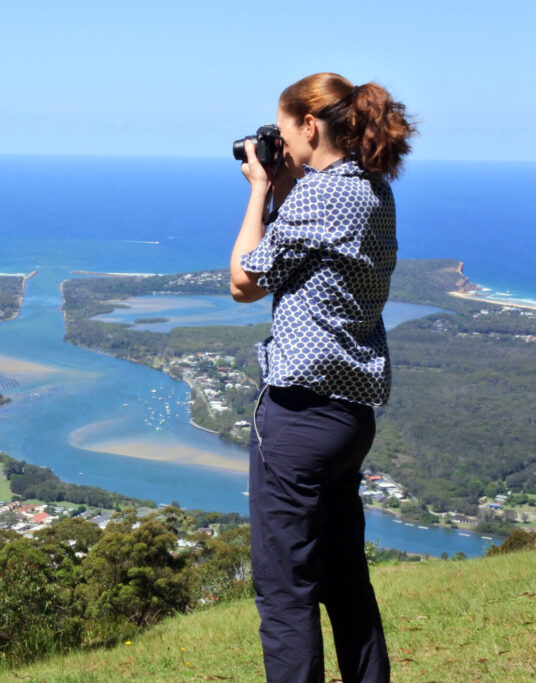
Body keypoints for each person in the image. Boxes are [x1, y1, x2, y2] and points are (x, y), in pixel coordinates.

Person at [230, 73, 416, 682]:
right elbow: (307, 254)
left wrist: (260, 189)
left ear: (309, 126)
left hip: (300, 418)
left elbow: (244, 282)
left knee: (286, 590)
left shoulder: (317, 197)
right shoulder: (371, 190)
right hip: (349, 418)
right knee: (343, 578)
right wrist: (287, 182)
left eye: (284, 132)